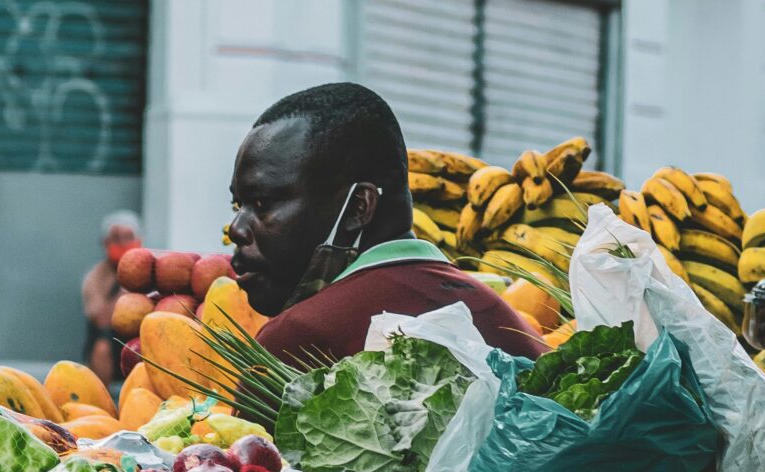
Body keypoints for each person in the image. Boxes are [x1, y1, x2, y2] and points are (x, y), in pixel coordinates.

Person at [229, 82, 543, 362]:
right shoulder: (509, 325)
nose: (236, 229)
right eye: (237, 205)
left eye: (263, 203)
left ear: (357, 208)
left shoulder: (297, 339)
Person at [82, 209, 144, 389]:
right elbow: (100, 318)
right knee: (102, 347)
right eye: (116, 238)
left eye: (128, 237)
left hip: (139, 338)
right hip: (110, 342)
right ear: (106, 243)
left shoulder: (149, 271)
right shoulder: (95, 277)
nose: (123, 243)